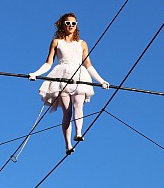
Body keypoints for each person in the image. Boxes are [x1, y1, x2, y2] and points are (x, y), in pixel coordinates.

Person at [29, 12, 109, 155]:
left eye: (74, 23)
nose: (71, 26)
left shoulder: (82, 43)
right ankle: (68, 145)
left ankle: (78, 132)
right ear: (62, 25)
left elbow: (88, 65)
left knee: (78, 105)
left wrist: (101, 80)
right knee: (67, 111)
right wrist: (35, 73)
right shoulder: (56, 42)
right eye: (68, 23)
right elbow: (48, 63)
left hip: (79, 75)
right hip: (62, 75)